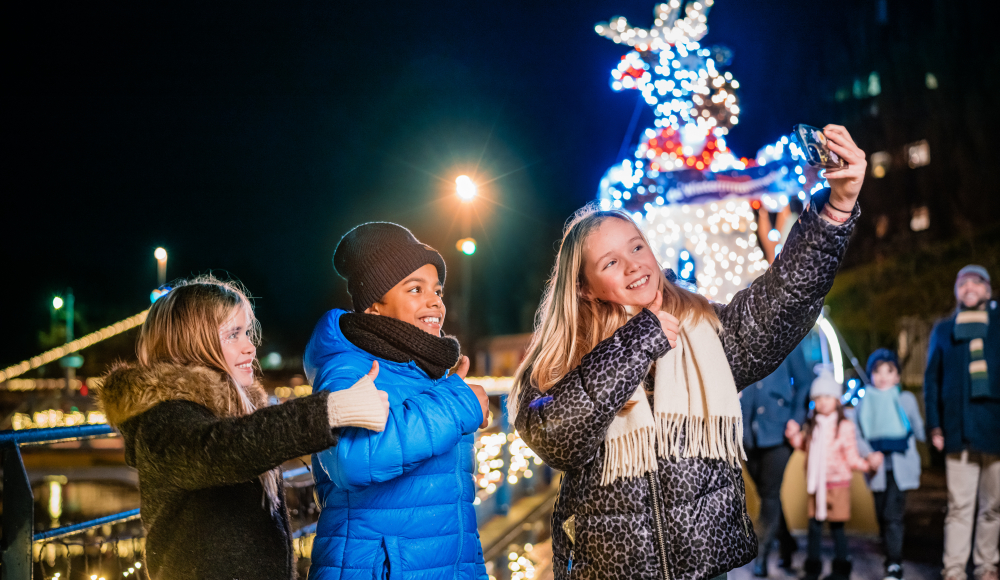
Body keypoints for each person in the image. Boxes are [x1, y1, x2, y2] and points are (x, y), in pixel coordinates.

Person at [509, 126, 867, 580]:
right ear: (583, 287)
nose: (635, 263)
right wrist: (639, 339)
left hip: (708, 567)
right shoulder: (561, 359)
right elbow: (556, 436)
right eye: (611, 262)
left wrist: (836, 208)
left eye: (637, 247)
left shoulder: (704, 328)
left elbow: (784, 299)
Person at [97, 276, 390, 580]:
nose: (250, 347)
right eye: (233, 334)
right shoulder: (164, 419)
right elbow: (224, 449)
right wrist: (332, 410)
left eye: (246, 332)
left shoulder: (233, 411)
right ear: (192, 344)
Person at [304, 222, 490, 580]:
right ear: (374, 307)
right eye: (415, 289)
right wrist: (458, 403)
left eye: (437, 289)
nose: (434, 300)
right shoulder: (347, 366)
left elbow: (450, 513)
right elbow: (352, 459)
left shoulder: (428, 373)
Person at [924, 265, 1000, 580]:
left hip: (995, 430)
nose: (968, 287)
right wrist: (935, 425)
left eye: (975, 282)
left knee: (993, 507)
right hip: (958, 430)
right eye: (962, 283)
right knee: (959, 506)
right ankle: (954, 569)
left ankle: (986, 566)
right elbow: (932, 381)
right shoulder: (943, 329)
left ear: (987, 289)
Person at [786, 372, 877, 580]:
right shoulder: (812, 426)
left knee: (837, 527)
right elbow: (803, 446)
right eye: (817, 398)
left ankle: (841, 568)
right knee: (814, 528)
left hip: (838, 484)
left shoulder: (845, 426)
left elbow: (851, 455)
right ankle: (813, 567)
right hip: (815, 485)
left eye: (827, 397)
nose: (822, 402)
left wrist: (867, 465)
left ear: (836, 400)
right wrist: (793, 436)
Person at [740, 340, 814, 577]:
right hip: (746, 435)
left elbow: (804, 383)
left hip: (780, 432)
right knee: (767, 493)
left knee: (770, 495)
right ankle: (787, 543)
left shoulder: (789, 339)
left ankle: (761, 557)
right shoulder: (740, 339)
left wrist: (796, 418)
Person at [854, 348, 924, 580]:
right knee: (882, 515)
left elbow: (917, 428)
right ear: (870, 374)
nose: (883, 376)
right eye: (877, 371)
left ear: (897, 376)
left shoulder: (905, 399)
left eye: (889, 370)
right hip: (877, 469)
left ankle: (894, 563)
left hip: (901, 465)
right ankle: (890, 556)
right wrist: (869, 453)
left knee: (894, 516)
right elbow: (857, 434)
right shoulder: (863, 403)